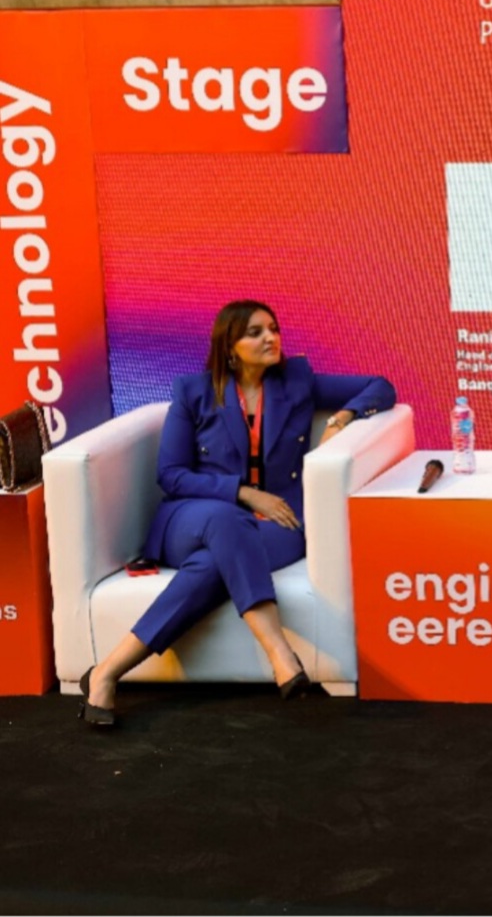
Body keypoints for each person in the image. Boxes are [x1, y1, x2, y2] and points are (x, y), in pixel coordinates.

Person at [75, 301, 395, 727]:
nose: (270, 338)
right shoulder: (193, 392)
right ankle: (280, 652)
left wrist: (342, 416)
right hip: (192, 518)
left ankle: (106, 672)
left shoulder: (297, 382)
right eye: (255, 332)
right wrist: (242, 493)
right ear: (229, 347)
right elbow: (171, 475)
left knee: (213, 565)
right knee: (226, 521)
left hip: (279, 521)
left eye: (274, 329)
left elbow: (380, 386)